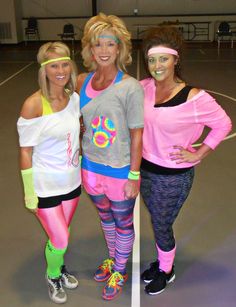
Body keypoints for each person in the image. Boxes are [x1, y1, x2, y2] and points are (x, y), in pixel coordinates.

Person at [140, 26, 232, 295]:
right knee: (157, 219)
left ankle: (166, 270)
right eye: (152, 59)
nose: (157, 65)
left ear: (176, 59)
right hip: (145, 168)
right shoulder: (144, 88)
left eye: (163, 58)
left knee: (161, 223)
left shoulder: (195, 98)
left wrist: (199, 152)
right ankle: (162, 262)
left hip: (173, 175)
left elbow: (223, 124)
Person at [76, 13, 144, 301]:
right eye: (97, 45)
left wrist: (134, 174)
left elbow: (137, 134)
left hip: (119, 169)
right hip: (90, 166)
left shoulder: (130, 87)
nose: (103, 51)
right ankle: (113, 259)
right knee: (105, 217)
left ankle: (120, 268)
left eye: (109, 44)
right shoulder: (81, 81)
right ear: (90, 50)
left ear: (120, 48)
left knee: (123, 221)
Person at [17, 42, 81, 304]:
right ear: (43, 69)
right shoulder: (33, 105)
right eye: (54, 65)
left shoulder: (74, 98)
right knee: (61, 238)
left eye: (65, 63)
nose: (61, 70)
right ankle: (53, 274)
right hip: (46, 186)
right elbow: (25, 152)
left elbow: (75, 133)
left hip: (72, 182)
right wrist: (29, 192)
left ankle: (59, 265)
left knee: (61, 235)